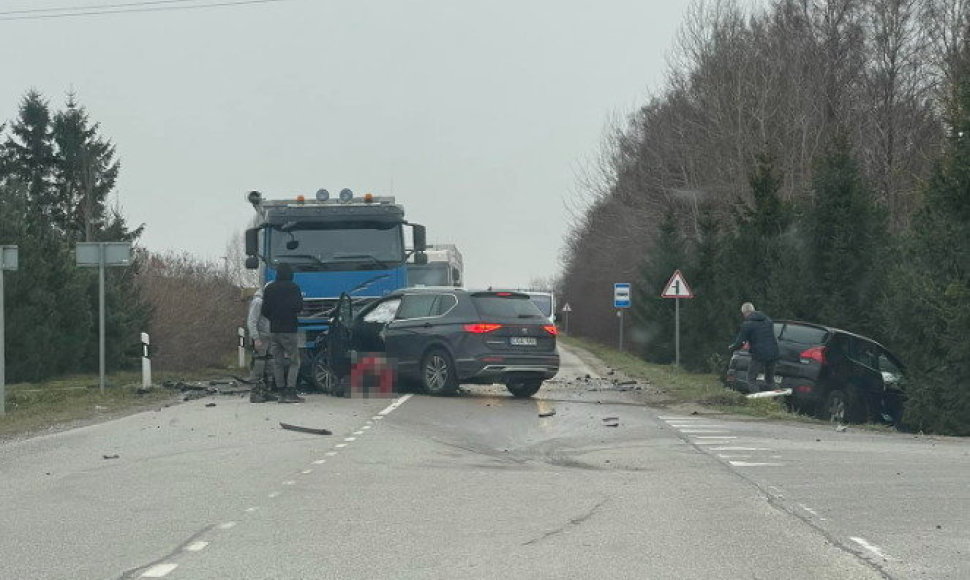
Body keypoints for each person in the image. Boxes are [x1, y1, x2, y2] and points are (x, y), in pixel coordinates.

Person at [261, 263, 305, 403]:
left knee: (277, 362)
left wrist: (274, 318)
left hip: (274, 330)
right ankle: (291, 392)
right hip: (289, 329)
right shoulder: (294, 288)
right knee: (294, 361)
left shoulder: (270, 288)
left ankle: (280, 392)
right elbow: (298, 307)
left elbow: (264, 310)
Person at [728, 302, 780, 393]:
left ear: (745, 312)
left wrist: (732, 348)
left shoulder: (747, 325)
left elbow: (740, 342)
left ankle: (758, 400)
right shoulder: (768, 320)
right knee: (770, 380)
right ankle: (777, 399)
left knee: (751, 379)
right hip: (773, 353)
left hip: (759, 354)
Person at [245, 287, 277, 403]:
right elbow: (252, 321)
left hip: (268, 337)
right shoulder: (258, 302)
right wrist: (256, 338)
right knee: (259, 364)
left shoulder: (266, 302)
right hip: (261, 337)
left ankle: (266, 391)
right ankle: (255, 393)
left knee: (269, 364)